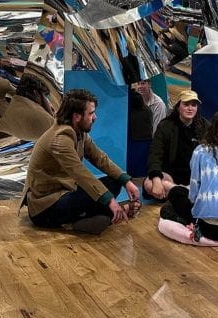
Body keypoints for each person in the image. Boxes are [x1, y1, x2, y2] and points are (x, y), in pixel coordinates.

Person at [21, 88, 140, 235]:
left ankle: (92, 218)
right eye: (91, 113)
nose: (95, 117)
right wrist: (111, 201)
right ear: (77, 116)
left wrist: (125, 180)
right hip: (45, 208)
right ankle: (115, 213)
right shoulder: (60, 139)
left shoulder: (78, 132)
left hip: (65, 191)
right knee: (99, 195)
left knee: (114, 182)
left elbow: (99, 158)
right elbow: (81, 174)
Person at [159, 105, 218, 245]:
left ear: (214, 127)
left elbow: (193, 195)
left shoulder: (201, 152)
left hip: (211, 230)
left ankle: (187, 221)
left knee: (175, 193)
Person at [144, 90, 210, 200]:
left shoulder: (205, 127)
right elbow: (155, 154)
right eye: (186, 104)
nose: (190, 108)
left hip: (195, 177)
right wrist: (156, 179)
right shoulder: (165, 126)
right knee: (149, 184)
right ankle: (185, 193)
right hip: (170, 176)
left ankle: (181, 193)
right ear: (178, 107)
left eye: (193, 105)